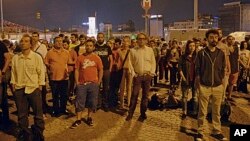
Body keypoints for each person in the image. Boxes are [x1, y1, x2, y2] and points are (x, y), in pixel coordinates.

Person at [10, 34, 45, 140]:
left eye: (26, 41)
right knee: (22, 114)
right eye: (22, 41)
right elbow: (13, 73)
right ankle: (24, 132)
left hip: (33, 88)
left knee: (38, 114)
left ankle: (38, 133)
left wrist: (40, 86)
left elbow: (41, 72)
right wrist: (14, 86)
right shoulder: (16, 58)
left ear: (30, 44)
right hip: (20, 89)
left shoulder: (36, 57)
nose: (23, 43)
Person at [195, 29, 227, 141]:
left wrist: (222, 84)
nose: (214, 39)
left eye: (216, 37)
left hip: (218, 86)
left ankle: (216, 131)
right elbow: (197, 70)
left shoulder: (221, 53)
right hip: (205, 86)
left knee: (216, 111)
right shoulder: (201, 53)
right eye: (211, 37)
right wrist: (198, 85)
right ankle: (200, 131)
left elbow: (223, 69)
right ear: (207, 39)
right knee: (202, 111)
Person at [71, 39, 103, 128]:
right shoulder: (80, 57)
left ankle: (89, 117)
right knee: (79, 102)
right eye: (87, 45)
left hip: (93, 84)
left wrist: (99, 82)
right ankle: (78, 119)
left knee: (92, 102)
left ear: (93, 47)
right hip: (82, 84)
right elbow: (76, 70)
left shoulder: (97, 58)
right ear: (85, 46)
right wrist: (77, 82)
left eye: (90, 46)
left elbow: (101, 70)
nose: (88, 47)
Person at [126, 33, 156, 122]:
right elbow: (130, 63)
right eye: (139, 39)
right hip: (137, 76)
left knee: (145, 96)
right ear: (137, 40)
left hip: (147, 76)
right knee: (134, 95)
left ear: (146, 40)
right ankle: (130, 113)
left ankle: (143, 113)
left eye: (143, 39)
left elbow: (153, 62)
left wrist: (152, 73)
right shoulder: (132, 51)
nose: (141, 40)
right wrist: (133, 73)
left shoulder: (150, 50)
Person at [45, 36, 72, 117]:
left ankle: (63, 109)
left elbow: (69, 63)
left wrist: (68, 72)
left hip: (64, 77)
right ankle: (56, 110)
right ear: (54, 42)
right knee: (55, 95)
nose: (59, 43)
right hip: (54, 78)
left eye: (61, 41)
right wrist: (49, 70)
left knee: (64, 95)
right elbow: (46, 62)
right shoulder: (50, 52)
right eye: (57, 41)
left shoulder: (66, 52)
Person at [178, 40, 197, 119]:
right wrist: (184, 78)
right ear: (187, 47)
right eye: (190, 46)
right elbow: (180, 69)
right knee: (184, 96)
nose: (192, 48)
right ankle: (184, 112)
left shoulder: (197, 57)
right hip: (186, 78)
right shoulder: (183, 57)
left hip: (195, 79)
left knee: (195, 96)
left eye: (193, 46)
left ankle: (195, 111)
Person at [94, 32, 113, 112]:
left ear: (104, 38)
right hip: (96, 70)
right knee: (96, 87)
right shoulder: (94, 47)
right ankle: (98, 104)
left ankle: (105, 104)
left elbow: (111, 59)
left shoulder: (107, 47)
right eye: (99, 37)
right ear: (97, 38)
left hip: (106, 70)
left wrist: (110, 69)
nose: (100, 38)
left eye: (101, 37)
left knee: (106, 88)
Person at [119, 36, 133, 110]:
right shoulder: (119, 51)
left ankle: (129, 103)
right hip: (122, 69)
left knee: (129, 87)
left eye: (127, 41)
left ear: (129, 42)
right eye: (124, 41)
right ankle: (121, 104)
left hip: (129, 70)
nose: (125, 42)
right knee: (122, 88)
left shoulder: (131, 51)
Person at [0, 41, 11, 127]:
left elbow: (8, 58)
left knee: (2, 99)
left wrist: (3, 71)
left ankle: (6, 121)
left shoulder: (1, 44)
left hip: (0, 75)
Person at [227, 35, 239, 100]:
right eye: (229, 39)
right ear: (227, 40)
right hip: (227, 68)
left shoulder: (236, 48)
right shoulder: (225, 48)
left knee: (232, 83)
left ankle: (229, 96)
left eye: (232, 39)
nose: (231, 40)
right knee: (226, 83)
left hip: (234, 68)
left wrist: (238, 68)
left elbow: (237, 58)